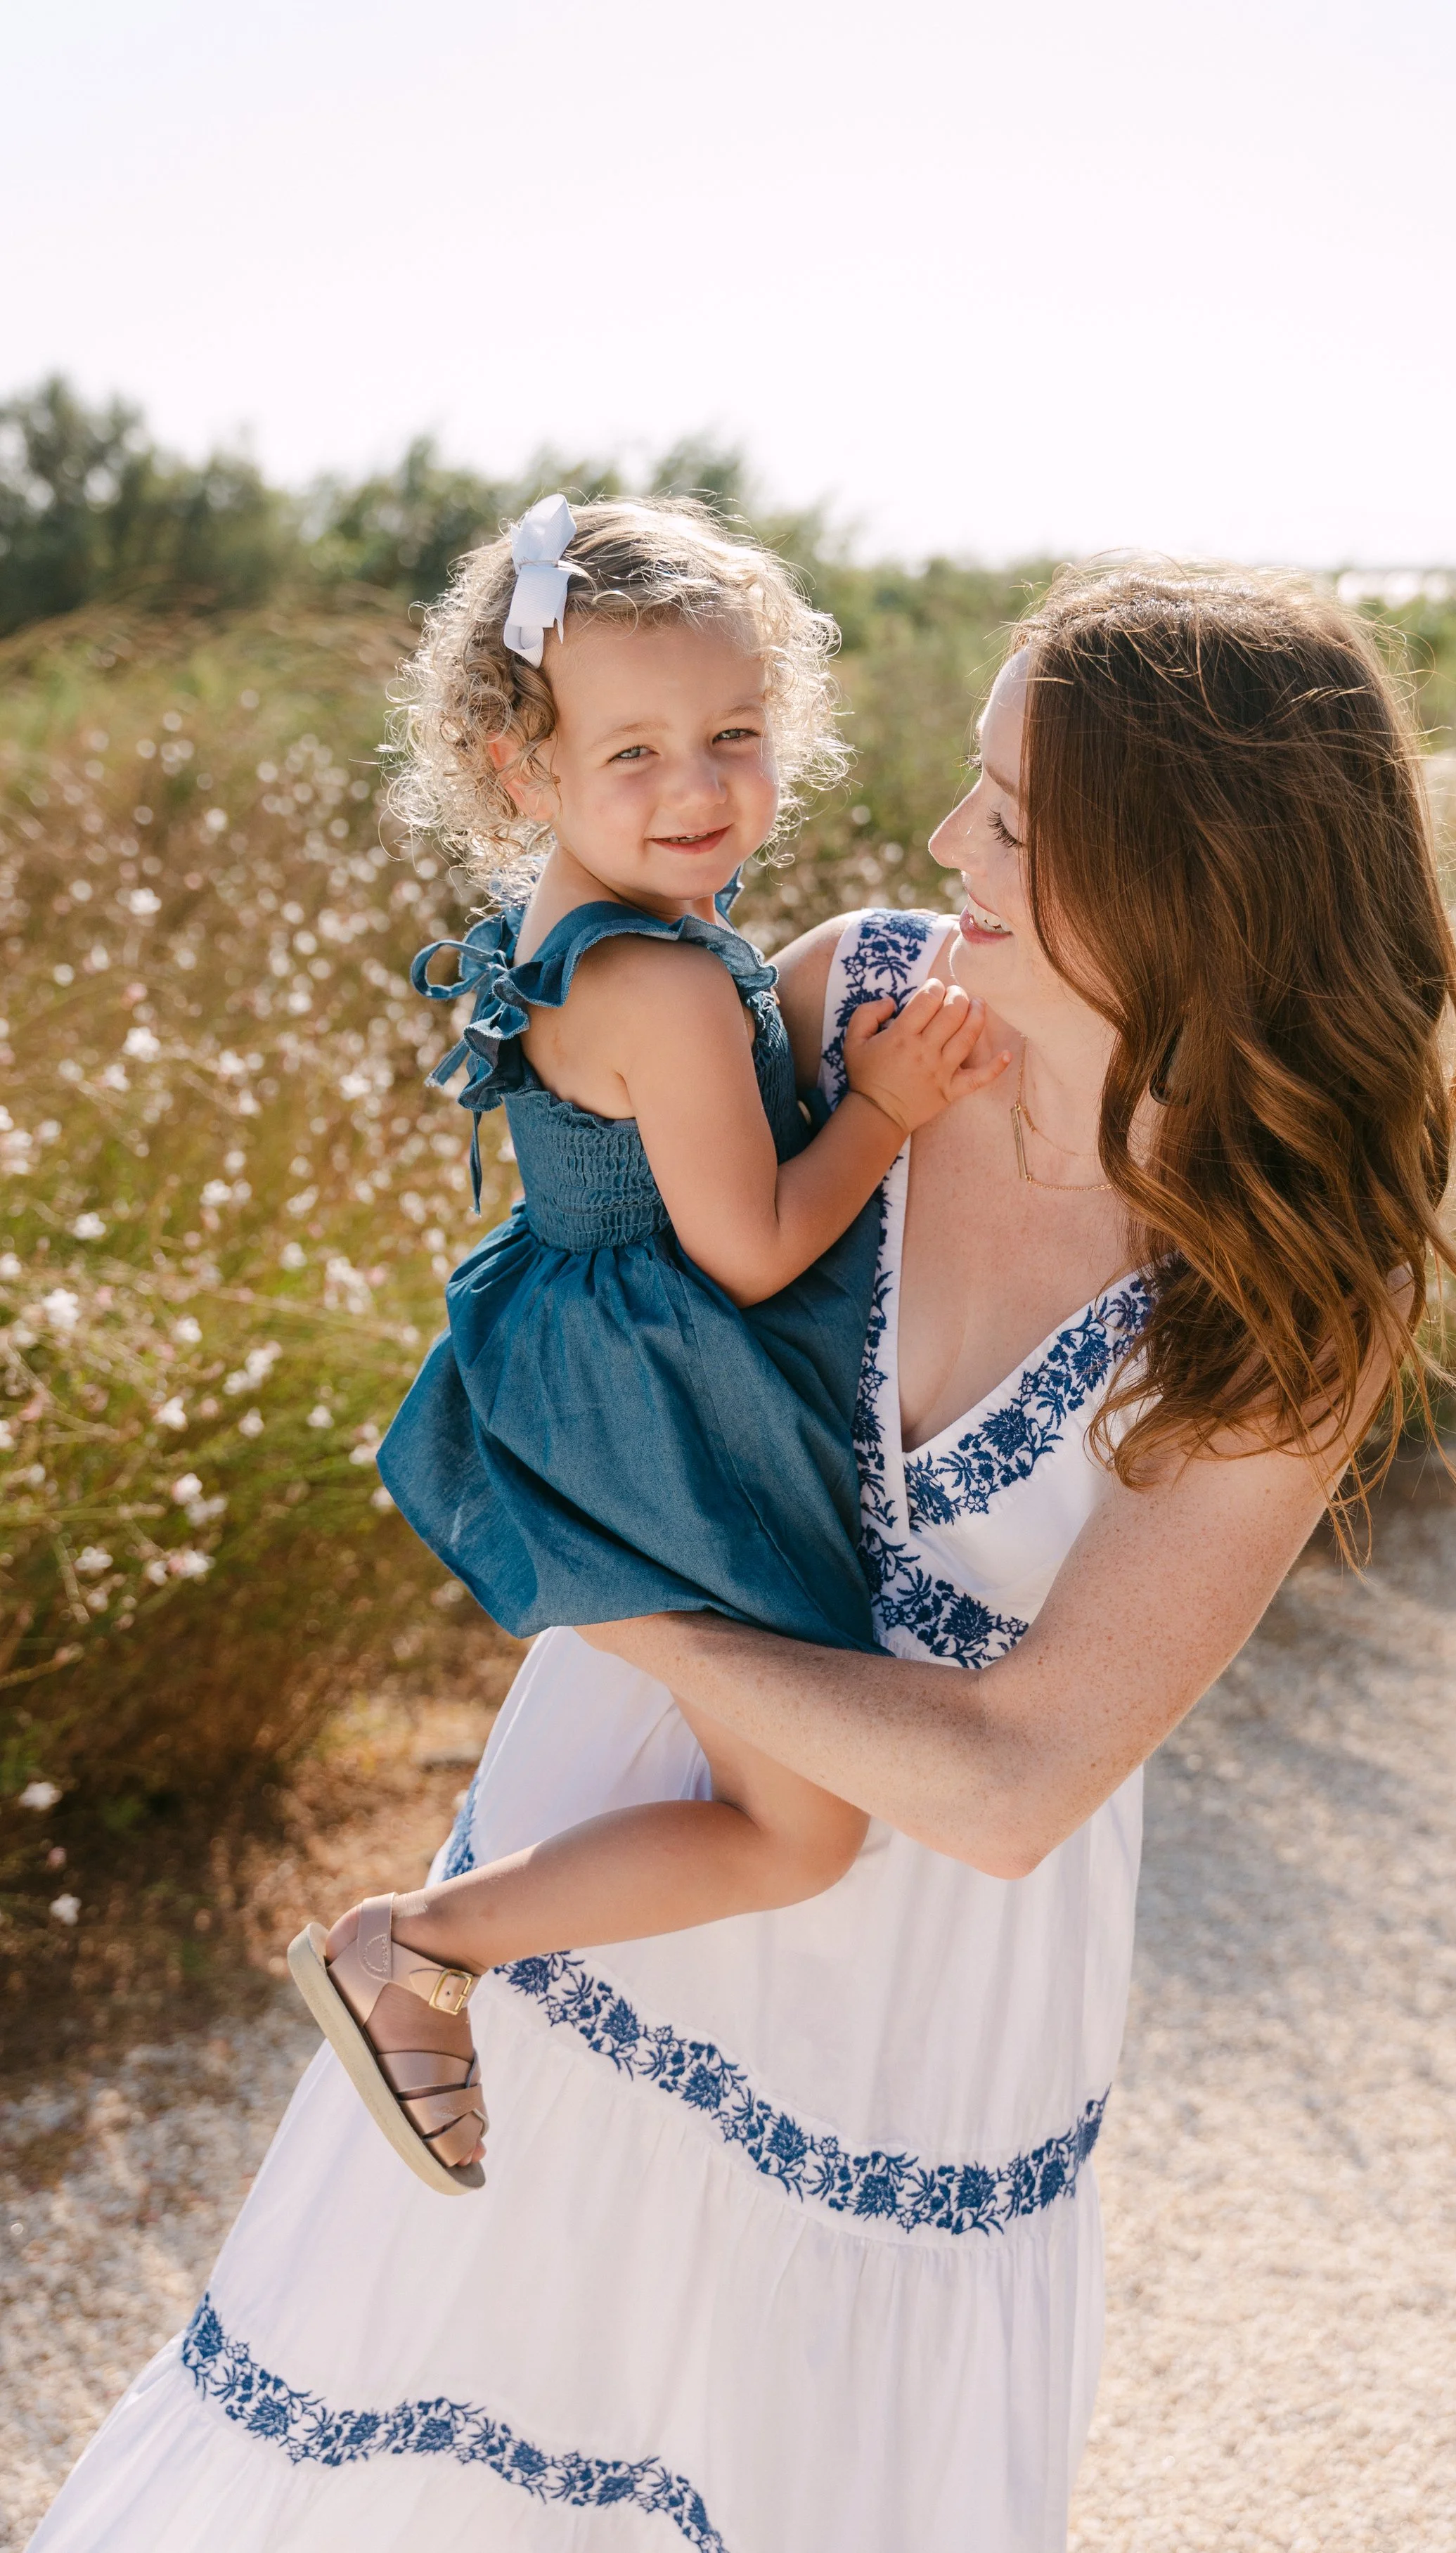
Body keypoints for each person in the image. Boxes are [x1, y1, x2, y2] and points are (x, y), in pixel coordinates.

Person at [31, 561, 1456, 2553]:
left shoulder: (1284, 1292)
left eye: (1010, 812)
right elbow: (600, 1262)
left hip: (923, 1984)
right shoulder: (838, 995)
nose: (940, 835)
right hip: (610, 1828)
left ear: (1187, 872)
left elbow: (1005, 1784)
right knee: (426, 2413)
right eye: (970, 781)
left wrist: (599, 1583)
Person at [289, 493, 1005, 2197]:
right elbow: (752, 1251)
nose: (696, 790)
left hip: (583, 1340)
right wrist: (888, 1108)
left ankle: (460, 1956)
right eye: (634, 755)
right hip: (667, 1391)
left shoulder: (568, 914)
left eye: (733, 735)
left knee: (779, 1805)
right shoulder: (667, 986)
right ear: (523, 773)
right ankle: (420, 1947)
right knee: (798, 1827)